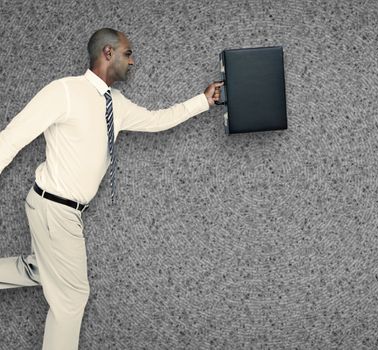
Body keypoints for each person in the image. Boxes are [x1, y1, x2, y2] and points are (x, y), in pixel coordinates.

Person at [0, 28, 223, 350]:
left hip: (65, 211)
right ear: (108, 53)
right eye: (128, 53)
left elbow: (158, 120)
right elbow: (12, 137)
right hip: (54, 206)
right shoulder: (64, 91)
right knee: (72, 298)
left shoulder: (115, 103)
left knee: (40, 270)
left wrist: (202, 101)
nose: (133, 61)